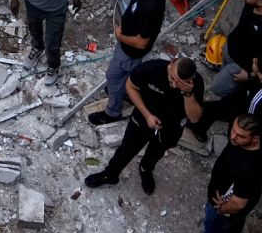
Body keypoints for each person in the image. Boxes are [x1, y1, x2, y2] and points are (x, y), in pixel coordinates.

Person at [84, 57, 204, 195]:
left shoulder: (195, 84)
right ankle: (110, 174)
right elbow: (130, 86)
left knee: (157, 151)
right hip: (143, 117)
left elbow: (194, 118)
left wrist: (188, 93)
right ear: (171, 64)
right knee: (127, 148)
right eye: (173, 78)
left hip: (171, 127)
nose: (175, 85)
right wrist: (147, 115)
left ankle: (146, 169)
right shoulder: (152, 68)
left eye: (180, 83)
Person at [90, 0, 167, 125]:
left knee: (113, 76)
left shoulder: (151, 8)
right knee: (124, 75)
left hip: (129, 51)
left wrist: (120, 37)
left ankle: (112, 112)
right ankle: (126, 90)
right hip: (127, 45)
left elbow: (141, 43)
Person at [171, 115, 262, 233]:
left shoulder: (249, 167)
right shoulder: (260, 138)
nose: (233, 136)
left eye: (241, 136)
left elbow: (238, 203)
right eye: (233, 129)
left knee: (213, 232)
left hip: (224, 208)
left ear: (255, 138)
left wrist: (222, 209)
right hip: (236, 204)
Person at [191, 48, 262, 141]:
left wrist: (235, 128)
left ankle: (199, 131)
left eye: (255, 63)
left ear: (260, 75)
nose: (254, 60)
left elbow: (248, 121)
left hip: (246, 111)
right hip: (248, 96)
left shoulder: (257, 100)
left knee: (210, 109)